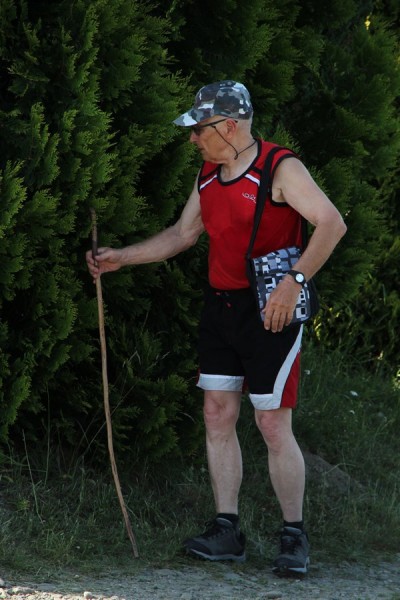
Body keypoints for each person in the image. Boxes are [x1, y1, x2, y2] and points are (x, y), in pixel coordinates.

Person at [86, 80, 347, 575]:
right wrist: (122, 258)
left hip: (271, 309)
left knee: (272, 423)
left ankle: (294, 535)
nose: (192, 138)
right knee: (216, 413)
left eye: (199, 128)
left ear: (228, 126)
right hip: (221, 308)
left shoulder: (280, 167)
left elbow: (332, 223)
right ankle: (227, 530)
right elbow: (183, 234)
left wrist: (294, 282)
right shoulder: (209, 174)